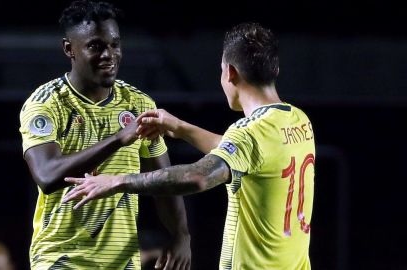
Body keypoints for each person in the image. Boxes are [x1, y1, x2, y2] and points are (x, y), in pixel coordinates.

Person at [63, 22, 315, 269]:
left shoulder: (250, 132)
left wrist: (116, 182)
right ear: (276, 69)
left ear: (230, 73)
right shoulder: (297, 120)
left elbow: (198, 176)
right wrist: (179, 127)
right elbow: (241, 153)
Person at [18, 1, 191, 269]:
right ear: (69, 49)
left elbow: (163, 183)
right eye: (95, 46)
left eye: (115, 44)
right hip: (61, 257)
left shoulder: (139, 104)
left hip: (122, 260)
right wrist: (120, 138)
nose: (109, 54)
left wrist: (181, 235)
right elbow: (47, 175)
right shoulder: (46, 103)